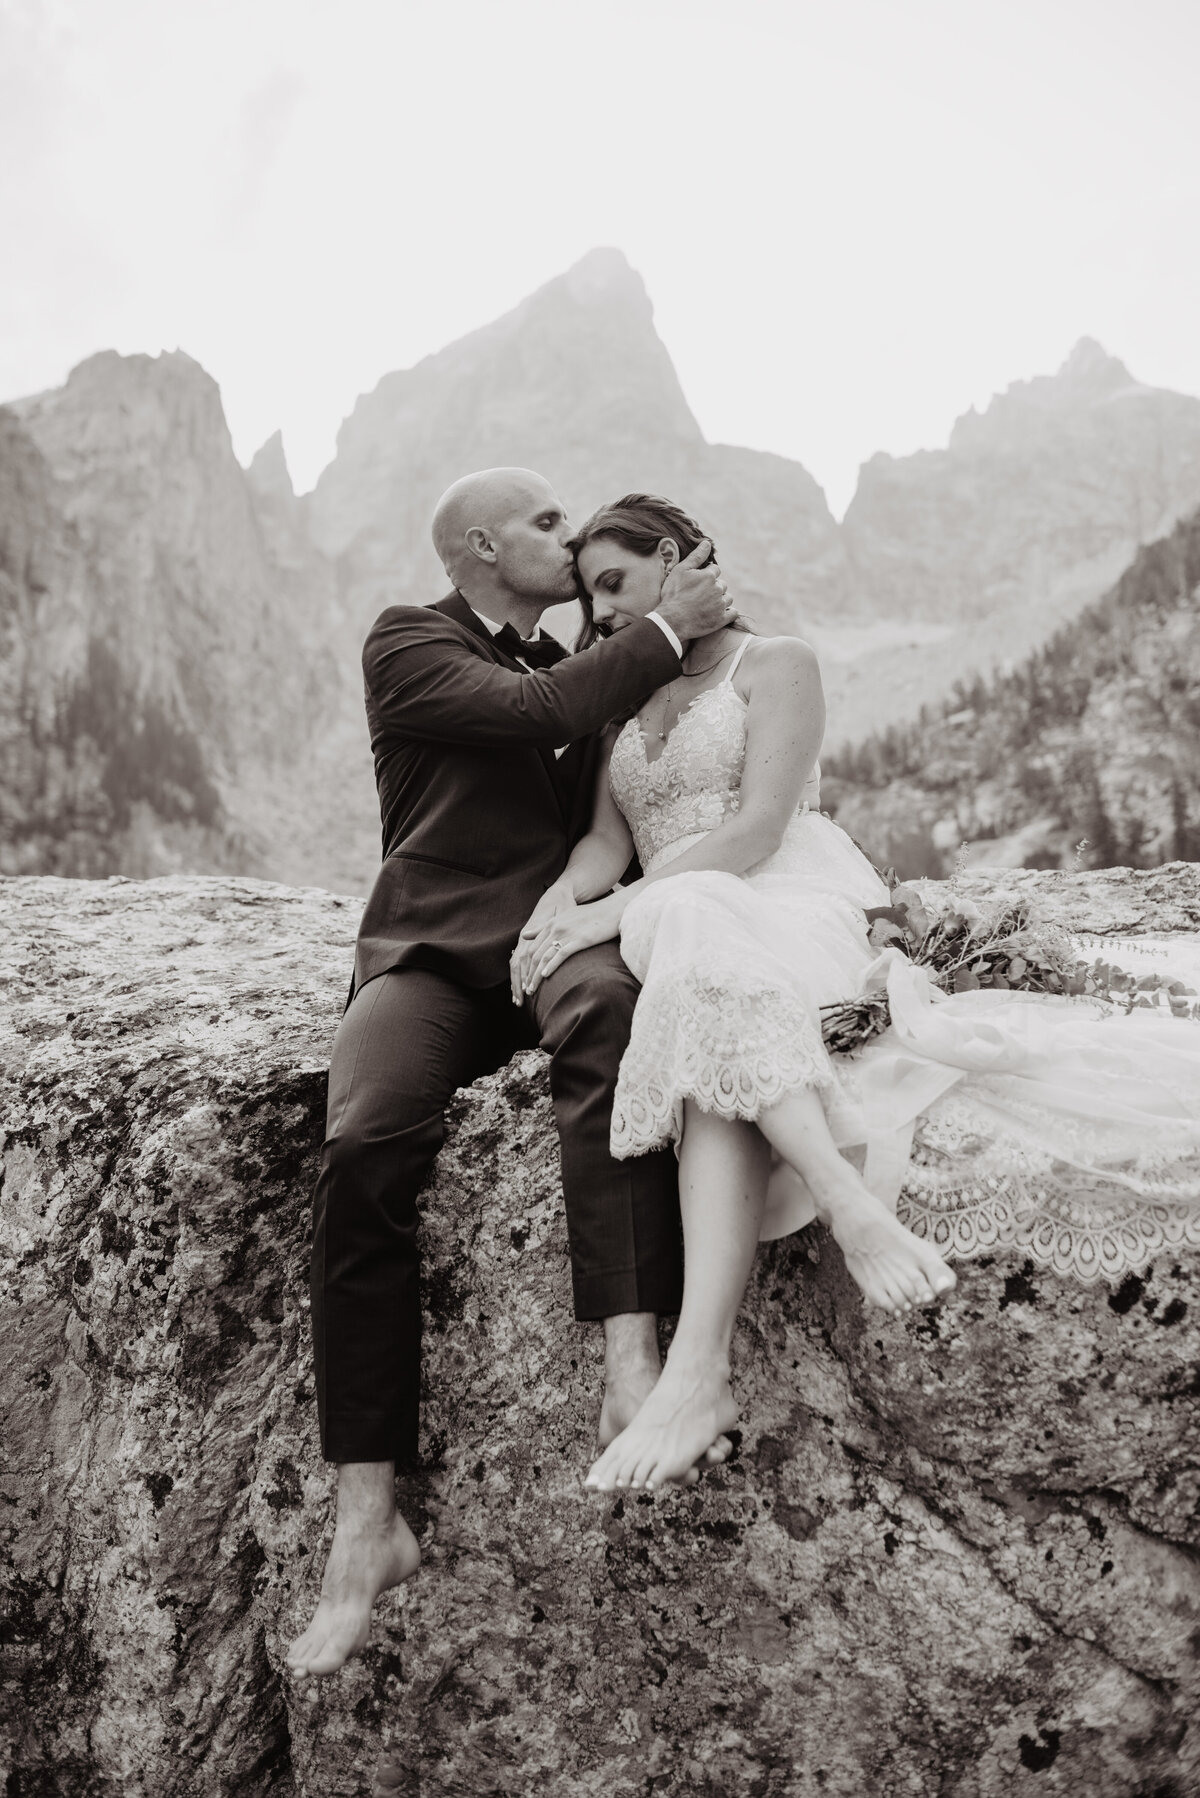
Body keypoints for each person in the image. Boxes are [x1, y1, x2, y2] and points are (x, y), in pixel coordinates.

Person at [511, 492, 1200, 1496]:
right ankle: (752, 1310)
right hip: (693, 921)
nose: (602, 611)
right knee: (703, 975)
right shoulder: (625, 699)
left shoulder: (775, 662)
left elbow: (753, 831)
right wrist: (554, 908)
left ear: (673, 559)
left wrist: (608, 918)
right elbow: (604, 848)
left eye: (614, 582)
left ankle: (725, 1338)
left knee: (693, 924)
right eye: (589, 597)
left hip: (789, 894)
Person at [286, 469, 734, 1679]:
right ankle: (366, 1523)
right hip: (429, 958)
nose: (569, 532)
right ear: (481, 546)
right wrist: (659, 630)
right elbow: (527, 710)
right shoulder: (411, 641)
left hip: (553, 943)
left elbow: (619, 792)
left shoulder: (589, 662)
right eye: (547, 523)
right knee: (364, 1149)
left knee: (612, 1028)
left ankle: (630, 1359)